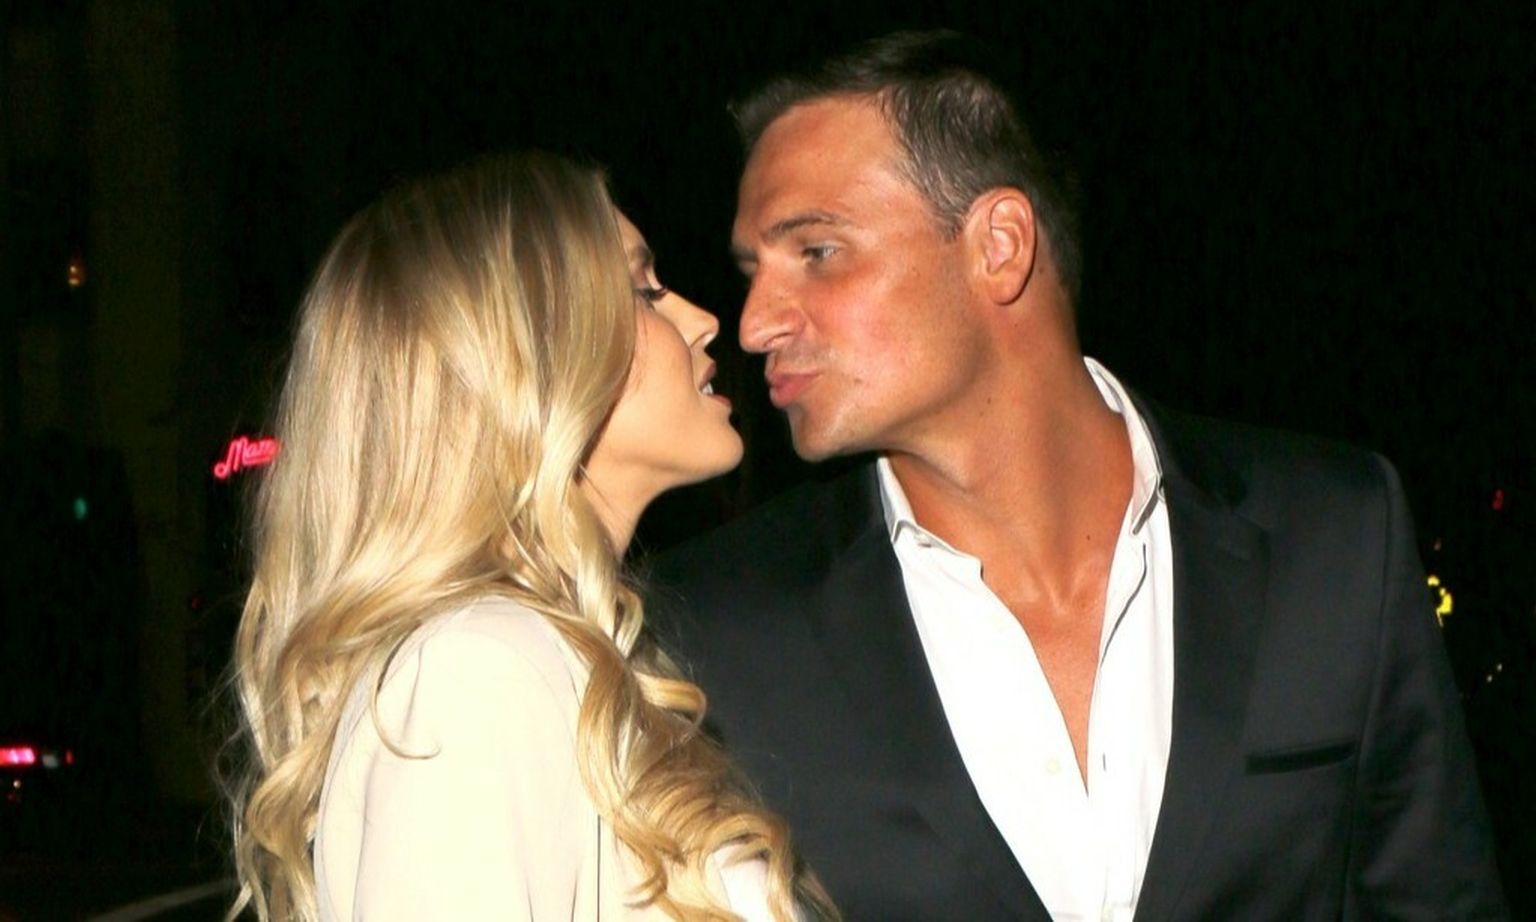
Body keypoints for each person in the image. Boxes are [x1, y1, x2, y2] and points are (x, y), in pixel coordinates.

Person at [648, 31, 1508, 920]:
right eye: (753, 271)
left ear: (1000, 245)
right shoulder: (711, 627)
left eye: (817, 252)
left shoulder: (1333, 535)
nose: (754, 323)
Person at [223, 152, 836, 921]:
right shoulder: (475, 669)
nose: (703, 320)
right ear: (526, 358)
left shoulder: (552, 659)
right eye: (642, 290)